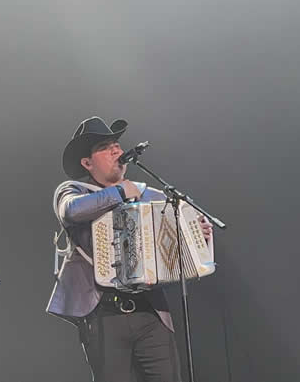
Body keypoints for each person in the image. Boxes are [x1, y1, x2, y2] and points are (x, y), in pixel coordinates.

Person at [46, 116, 213, 382]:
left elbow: (176, 234)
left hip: (150, 313)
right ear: (87, 163)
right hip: (102, 314)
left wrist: (197, 238)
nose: (116, 150)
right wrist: (121, 192)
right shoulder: (73, 190)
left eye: (116, 144)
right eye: (104, 146)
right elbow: (72, 211)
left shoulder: (150, 196)